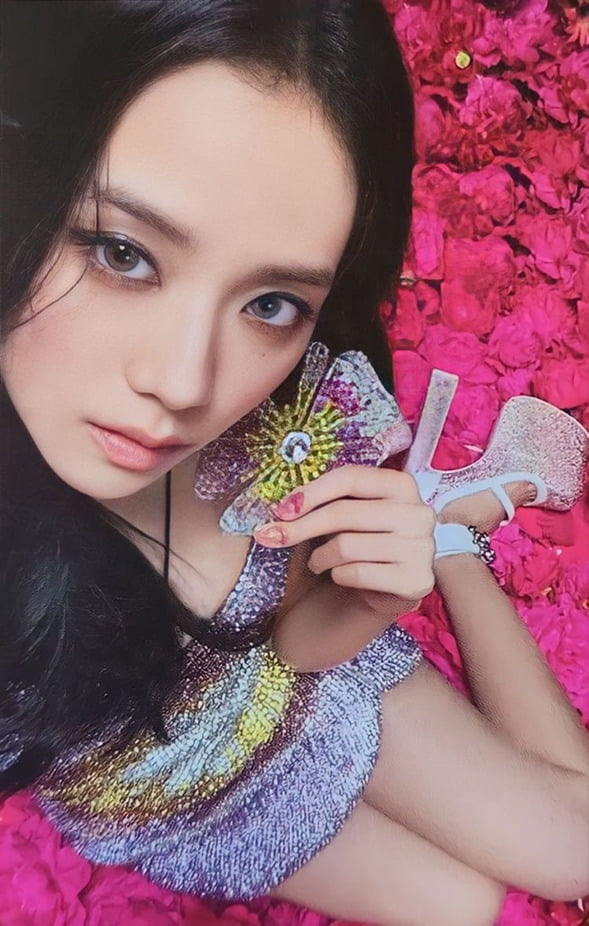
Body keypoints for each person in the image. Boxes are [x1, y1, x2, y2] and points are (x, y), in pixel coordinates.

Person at [0, 2, 588, 924]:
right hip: (177, 806)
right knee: (458, 906)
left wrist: (372, 598)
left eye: (270, 302)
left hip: (297, 683)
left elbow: (290, 646)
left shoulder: (268, 422)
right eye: (123, 252)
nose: (183, 384)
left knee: (572, 848)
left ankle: (443, 530)